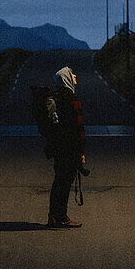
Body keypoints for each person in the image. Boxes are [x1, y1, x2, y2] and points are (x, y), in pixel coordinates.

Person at [47, 66, 86, 228]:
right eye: (72, 74)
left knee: (59, 181)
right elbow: (78, 128)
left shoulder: (56, 97)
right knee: (64, 183)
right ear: (66, 79)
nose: (75, 76)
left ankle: (54, 216)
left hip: (58, 147)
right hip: (69, 149)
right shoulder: (71, 99)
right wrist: (81, 152)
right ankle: (60, 217)